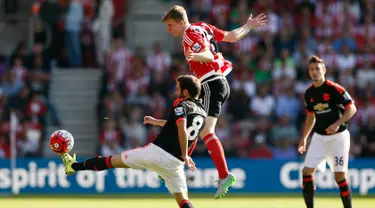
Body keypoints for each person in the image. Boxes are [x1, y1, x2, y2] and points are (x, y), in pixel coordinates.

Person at [161, 5, 267, 198]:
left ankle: (223, 175)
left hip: (210, 82)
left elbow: (208, 55)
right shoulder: (203, 26)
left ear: (180, 22)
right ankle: (174, 163)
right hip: (217, 82)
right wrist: (248, 26)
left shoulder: (189, 33)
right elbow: (232, 37)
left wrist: (195, 56)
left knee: (205, 130)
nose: (169, 30)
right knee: (191, 123)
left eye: (170, 25)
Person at [61, 75, 206, 208]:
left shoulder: (181, 105)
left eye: (178, 88)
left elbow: (182, 129)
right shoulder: (201, 112)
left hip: (157, 153)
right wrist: (156, 122)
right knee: (183, 201)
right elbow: (181, 127)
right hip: (175, 164)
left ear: (186, 92)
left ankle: (73, 166)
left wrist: (185, 154)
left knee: (112, 160)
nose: (176, 91)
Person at [298, 55, 357, 208]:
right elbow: (311, 116)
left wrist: (337, 124)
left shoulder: (334, 89)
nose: (314, 72)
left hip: (339, 138)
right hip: (319, 138)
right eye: (311, 69)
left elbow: (352, 109)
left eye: (317, 69)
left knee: (340, 177)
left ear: (324, 70)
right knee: (306, 172)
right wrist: (304, 137)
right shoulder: (309, 93)